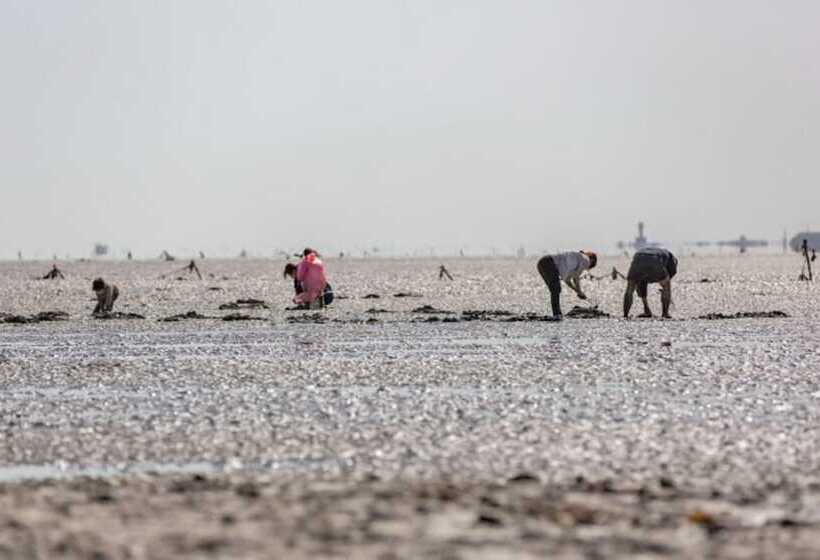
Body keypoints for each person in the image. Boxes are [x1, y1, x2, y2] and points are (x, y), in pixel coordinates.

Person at [536, 251, 598, 319]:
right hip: (550, 263)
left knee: (555, 290)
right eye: (590, 266)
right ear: (592, 260)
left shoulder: (577, 259)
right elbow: (576, 278)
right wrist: (580, 292)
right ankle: (557, 315)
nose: (587, 268)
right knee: (556, 289)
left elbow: (567, 280)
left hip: (542, 262)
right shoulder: (586, 260)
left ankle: (557, 314)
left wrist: (577, 291)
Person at [623, 247, 678, 318]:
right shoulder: (671, 258)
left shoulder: (662, 253)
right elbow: (670, 274)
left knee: (630, 289)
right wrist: (664, 288)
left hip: (638, 258)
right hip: (655, 260)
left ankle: (626, 314)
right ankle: (665, 313)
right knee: (666, 286)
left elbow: (641, 283)